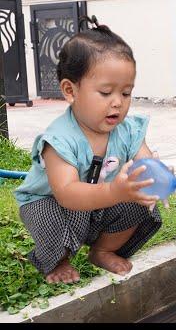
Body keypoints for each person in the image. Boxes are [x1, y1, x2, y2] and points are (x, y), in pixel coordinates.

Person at [14, 17, 163, 284]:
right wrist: (113, 191)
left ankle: (103, 250)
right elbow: (68, 194)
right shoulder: (60, 139)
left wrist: (156, 180)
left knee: (139, 205)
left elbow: (146, 162)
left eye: (126, 93)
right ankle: (58, 260)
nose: (118, 102)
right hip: (55, 205)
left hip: (98, 206)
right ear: (71, 91)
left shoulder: (128, 130)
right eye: (106, 93)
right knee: (47, 216)